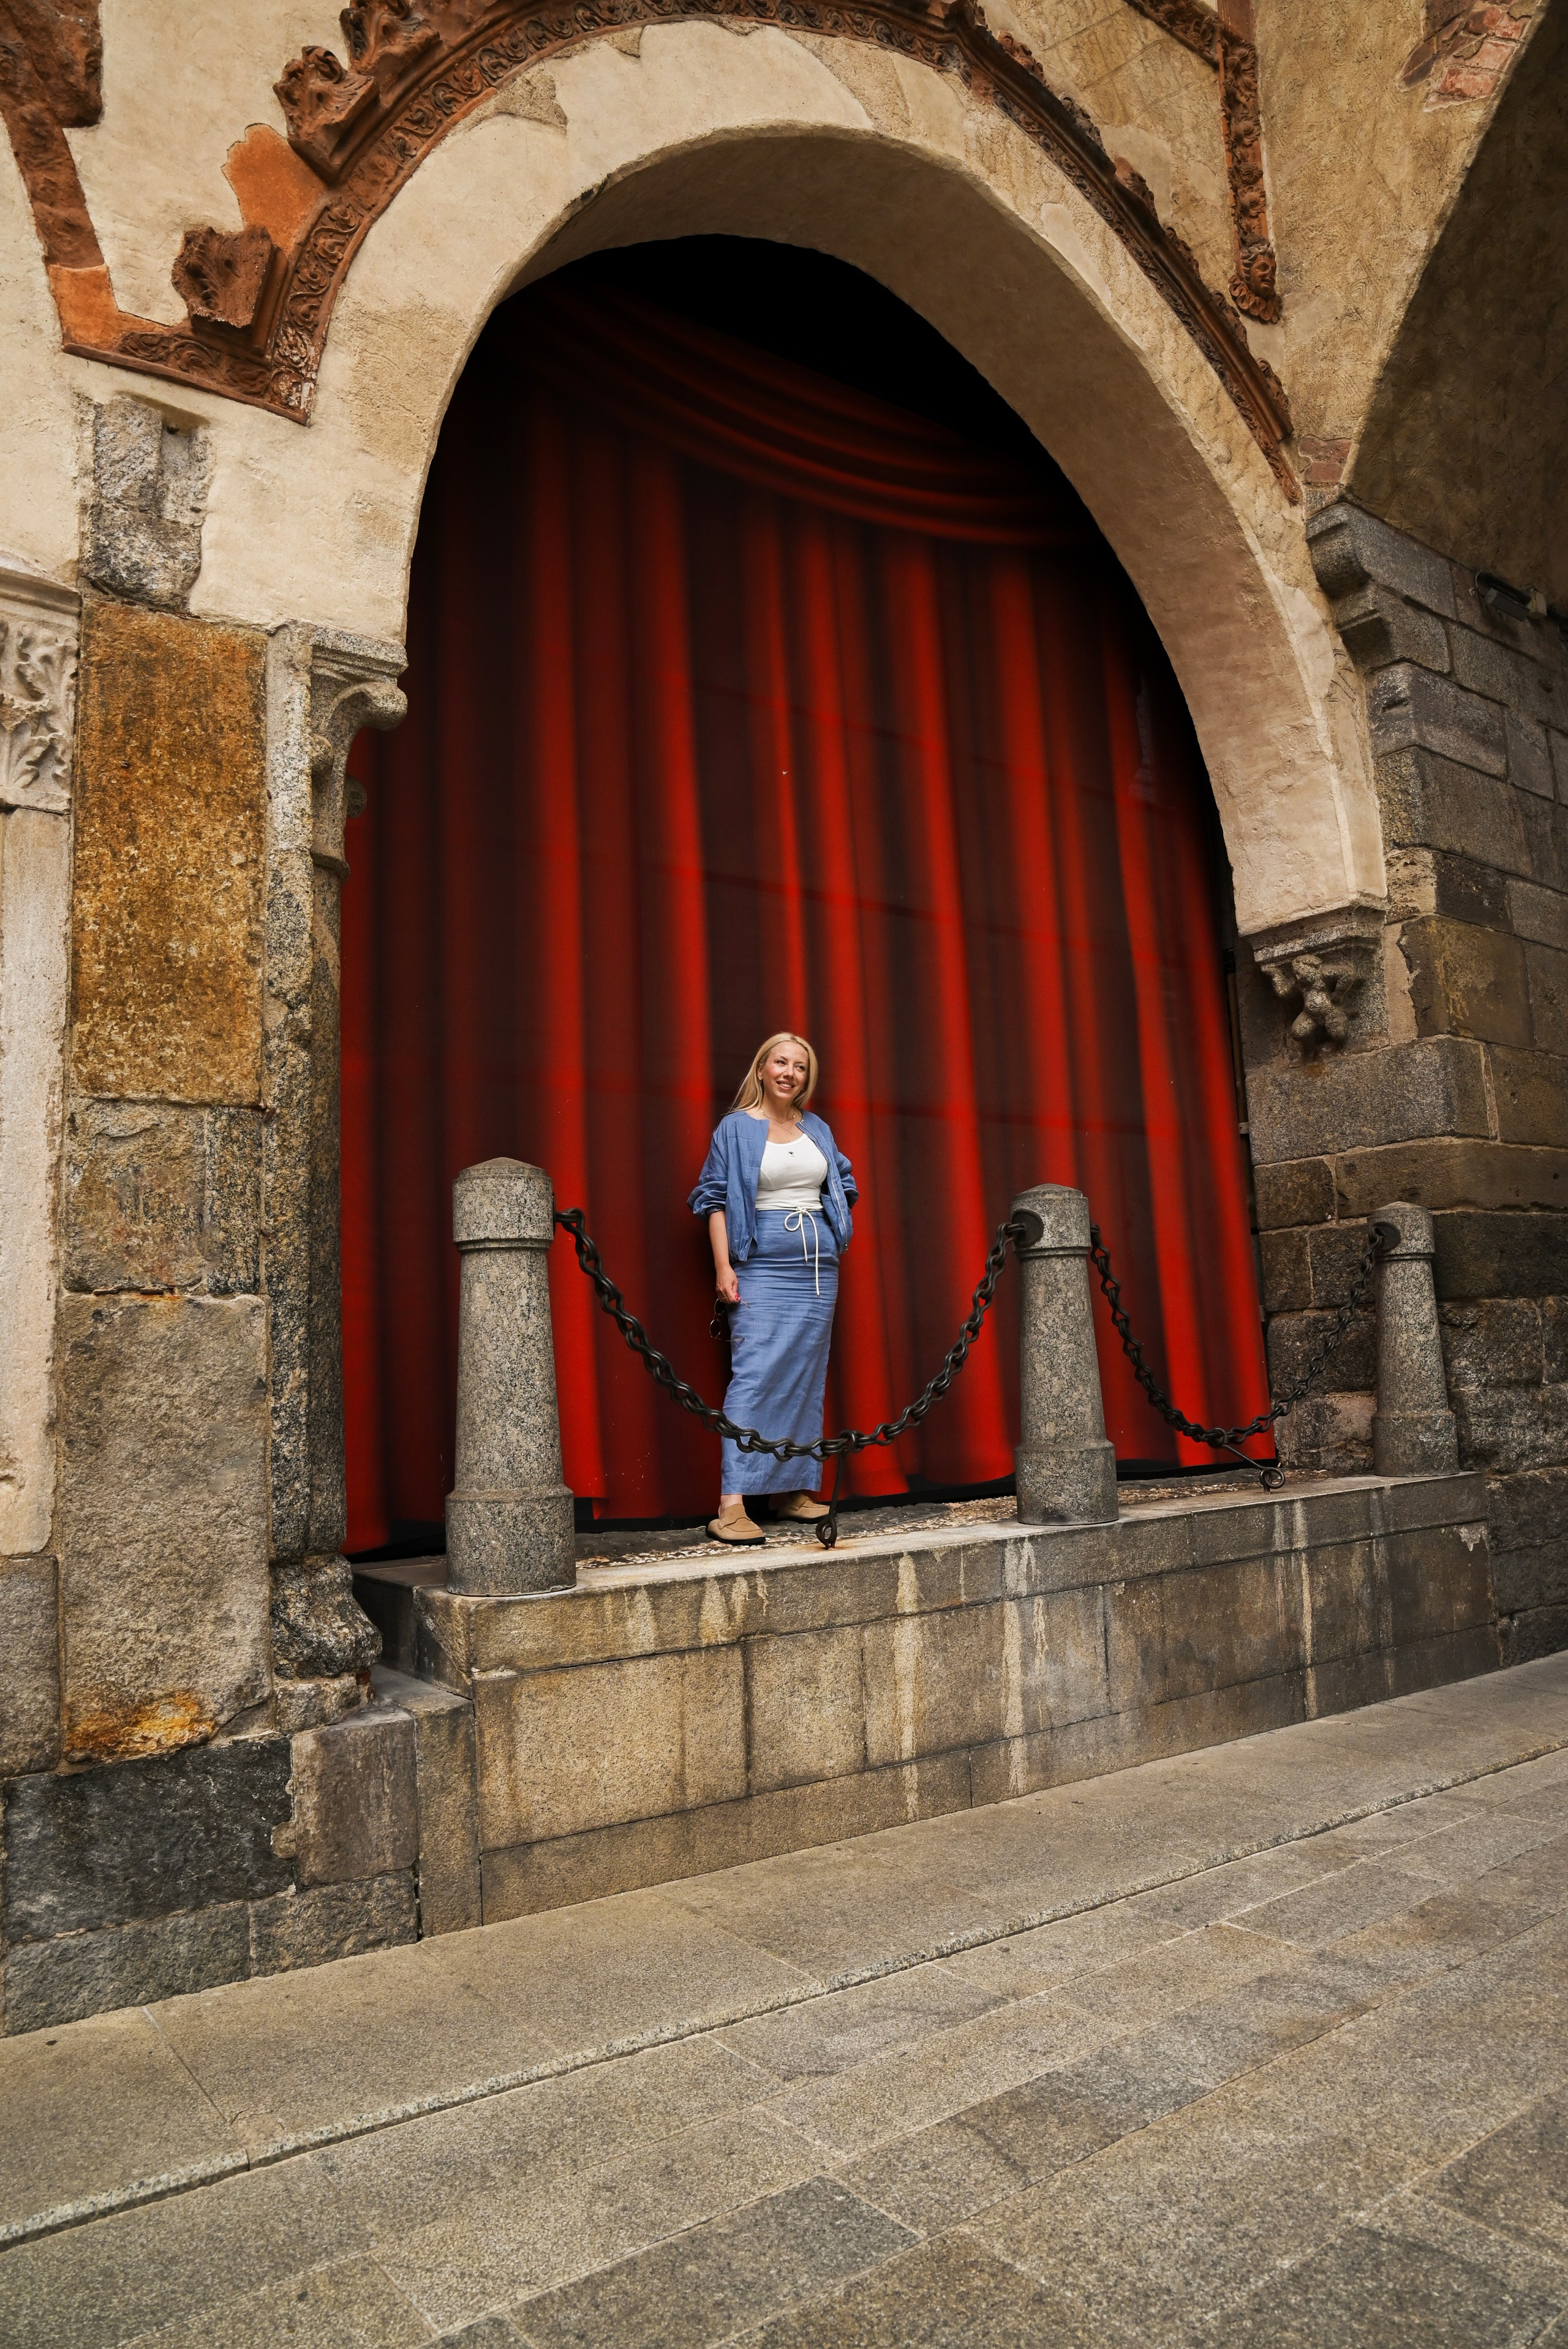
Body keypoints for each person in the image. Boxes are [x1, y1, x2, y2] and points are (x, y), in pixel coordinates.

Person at [688, 1033, 858, 1545]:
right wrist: (724, 1266)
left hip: (817, 1267)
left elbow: (843, 1182)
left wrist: (834, 1224)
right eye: (780, 1062)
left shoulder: (817, 1127)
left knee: (805, 1375)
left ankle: (792, 1491)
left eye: (800, 1067)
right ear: (762, 1068)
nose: (790, 1072)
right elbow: (713, 1198)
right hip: (760, 1263)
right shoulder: (736, 1128)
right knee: (756, 1374)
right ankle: (732, 1503)